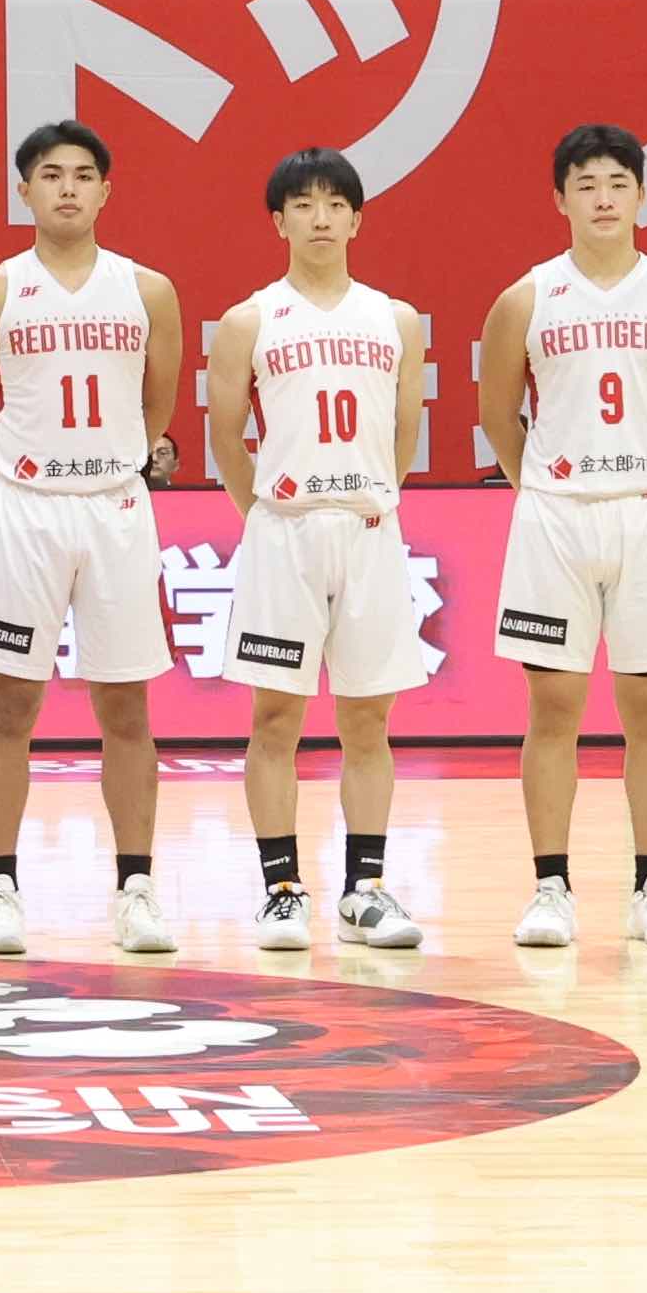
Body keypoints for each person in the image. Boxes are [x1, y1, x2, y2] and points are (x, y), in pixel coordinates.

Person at [0, 117, 186, 960]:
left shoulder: (147, 289)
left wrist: (112, 462)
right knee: (10, 702)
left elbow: (159, 406)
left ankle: (137, 888)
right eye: (51, 175)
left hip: (115, 505)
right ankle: (1, 887)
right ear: (25, 190)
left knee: (126, 705)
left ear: (107, 190)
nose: (69, 188)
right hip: (27, 507)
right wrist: (16, 471)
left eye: (85, 174)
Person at [480, 123, 647, 953]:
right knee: (553, 707)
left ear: (643, 194)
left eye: (618, 182)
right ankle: (551, 886)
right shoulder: (527, 298)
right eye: (585, 184)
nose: (603, 197)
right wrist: (546, 482)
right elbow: (497, 415)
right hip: (556, 512)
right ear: (560, 199)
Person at [205, 148, 431, 952]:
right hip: (286, 531)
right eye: (304, 204)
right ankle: (281, 890)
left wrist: (368, 495)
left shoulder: (395, 318)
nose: (322, 218)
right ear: (279, 221)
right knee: (276, 719)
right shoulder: (251, 320)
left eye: (337, 204)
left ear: (358, 217)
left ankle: (365, 888)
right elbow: (224, 436)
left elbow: (405, 433)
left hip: (368, 529)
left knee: (368, 722)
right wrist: (266, 513)